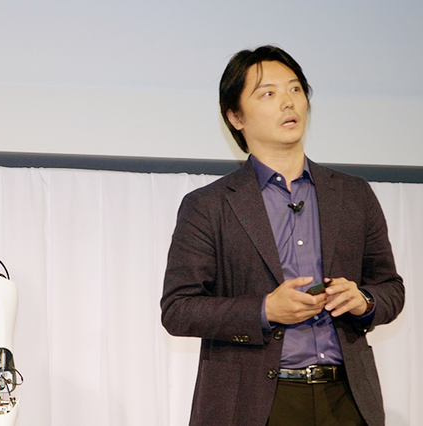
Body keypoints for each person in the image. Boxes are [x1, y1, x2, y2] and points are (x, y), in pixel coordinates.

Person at [160, 45, 404, 426]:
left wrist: (364, 300)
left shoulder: (353, 194)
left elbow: (390, 288)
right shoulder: (208, 205)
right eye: (268, 94)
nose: (288, 102)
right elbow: (178, 309)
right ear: (235, 117)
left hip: (346, 399)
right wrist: (265, 310)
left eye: (295, 89)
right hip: (252, 405)